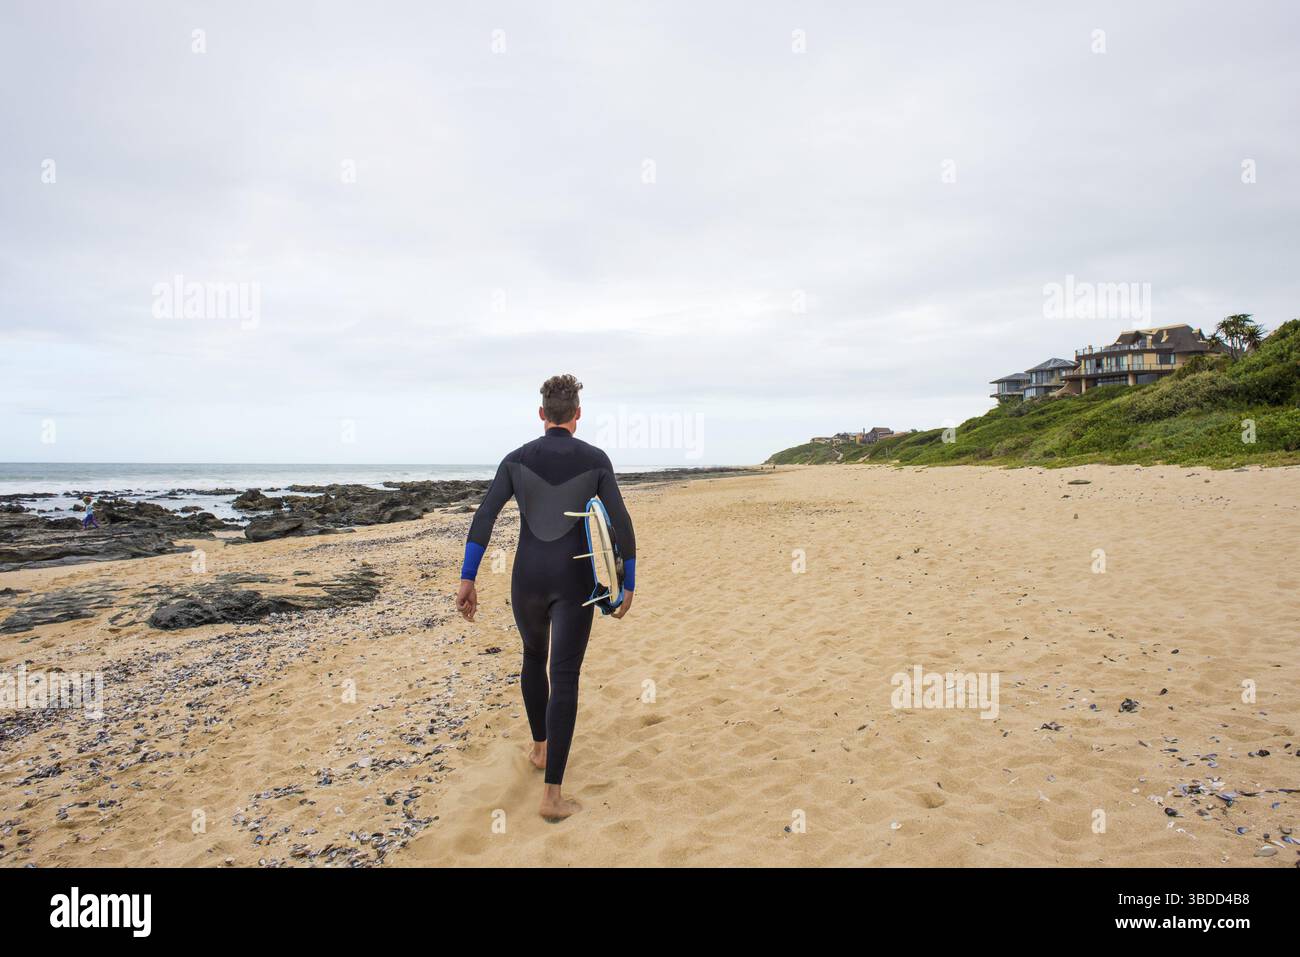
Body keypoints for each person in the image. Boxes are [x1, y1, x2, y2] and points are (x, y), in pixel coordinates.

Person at [455, 374, 636, 820]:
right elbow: (621, 523)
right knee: (566, 674)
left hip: (526, 579)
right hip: (573, 580)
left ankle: (540, 748)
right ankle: (552, 797)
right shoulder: (595, 460)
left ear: (542, 415)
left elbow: (485, 516)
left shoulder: (516, 460)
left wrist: (468, 578)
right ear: (577, 414)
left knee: (533, 659)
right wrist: (628, 582)